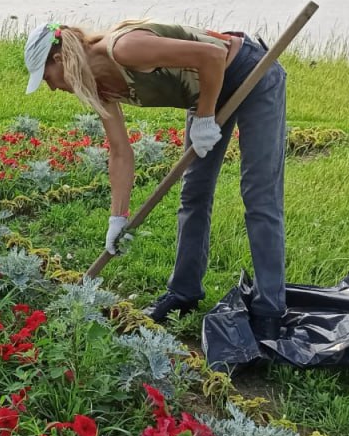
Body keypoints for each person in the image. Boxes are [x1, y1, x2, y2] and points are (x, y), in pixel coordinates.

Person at [23, 19, 287, 340]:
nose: (51, 87)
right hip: (205, 89)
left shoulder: (124, 48)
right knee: (194, 194)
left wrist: (204, 120)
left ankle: (269, 310)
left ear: (59, 59)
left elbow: (211, 57)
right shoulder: (98, 86)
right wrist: (117, 218)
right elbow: (120, 151)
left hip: (248, 73)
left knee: (259, 195)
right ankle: (183, 292)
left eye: (47, 78)